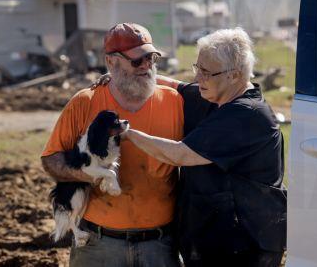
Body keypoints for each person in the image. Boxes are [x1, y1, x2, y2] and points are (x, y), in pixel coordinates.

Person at [122, 28, 286, 267]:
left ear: (234, 75)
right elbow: (177, 87)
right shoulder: (216, 95)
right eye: (197, 68)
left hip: (244, 246)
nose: (199, 78)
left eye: (206, 73)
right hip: (218, 238)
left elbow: (180, 155)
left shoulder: (246, 115)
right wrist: (128, 76)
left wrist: (127, 133)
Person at [41, 23, 183, 267]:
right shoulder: (85, 102)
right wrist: (89, 174)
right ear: (111, 62)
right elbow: (51, 159)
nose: (147, 65)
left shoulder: (175, 102)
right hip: (98, 245)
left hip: (159, 246)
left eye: (151, 58)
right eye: (138, 61)